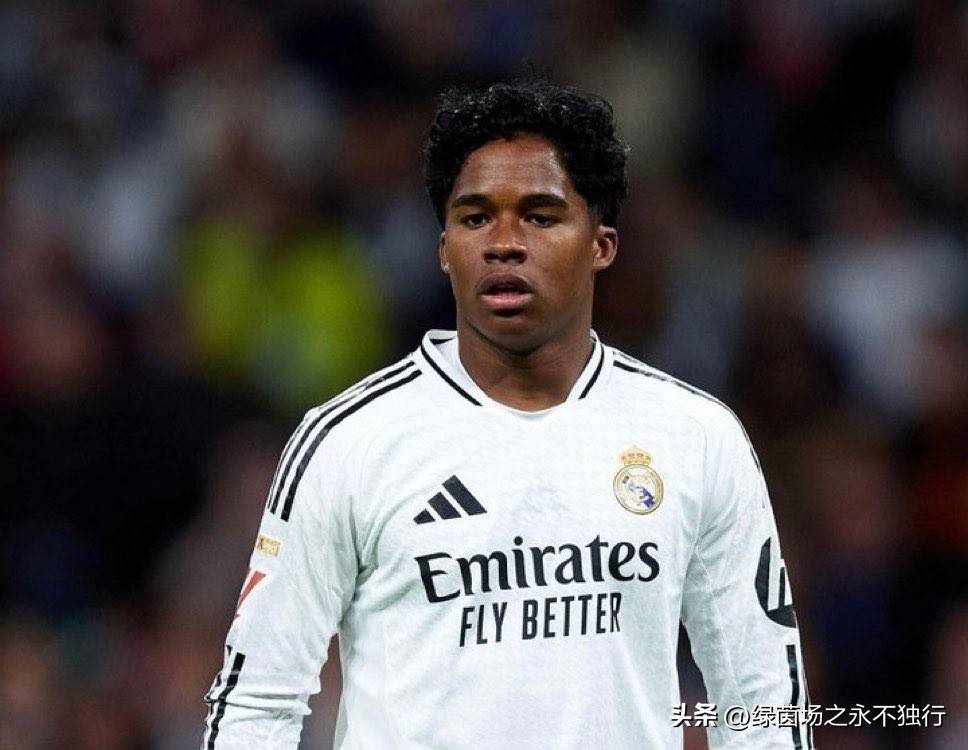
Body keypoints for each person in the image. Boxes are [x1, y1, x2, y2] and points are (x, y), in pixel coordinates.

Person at [202, 79, 812, 750]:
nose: (503, 244)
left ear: (601, 245)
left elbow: (762, 700)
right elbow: (257, 702)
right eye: (475, 218)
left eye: (539, 217)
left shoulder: (694, 436)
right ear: (444, 249)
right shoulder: (349, 442)